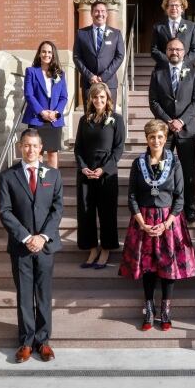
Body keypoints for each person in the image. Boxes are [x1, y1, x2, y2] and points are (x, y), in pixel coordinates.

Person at [120, 119, 195, 331]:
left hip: (168, 221)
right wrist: (142, 223)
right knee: (148, 267)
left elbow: (180, 197)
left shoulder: (174, 162)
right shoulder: (138, 163)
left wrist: (167, 223)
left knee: (167, 266)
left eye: (160, 137)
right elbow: (132, 196)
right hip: (143, 220)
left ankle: (165, 310)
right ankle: (149, 308)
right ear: (147, 139)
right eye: (152, 137)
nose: (156, 141)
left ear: (166, 139)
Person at [0, 129, 64, 363]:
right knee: (25, 294)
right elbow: (5, 212)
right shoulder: (8, 176)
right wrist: (26, 237)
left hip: (45, 246)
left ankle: (43, 341)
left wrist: (43, 236)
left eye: (35, 146)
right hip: (21, 246)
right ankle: (26, 341)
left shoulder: (53, 175)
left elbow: (57, 210)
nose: (31, 150)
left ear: (41, 147)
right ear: (19, 147)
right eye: (26, 145)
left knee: (43, 294)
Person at [149, 38, 195, 222]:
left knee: (188, 171)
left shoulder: (194, 74)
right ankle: (162, 204)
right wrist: (167, 121)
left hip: (187, 129)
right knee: (160, 168)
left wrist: (181, 121)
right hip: (163, 131)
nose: (175, 52)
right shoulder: (158, 73)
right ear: (166, 51)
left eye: (178, 49)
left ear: (184, 52)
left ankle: (189, 208)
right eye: (171, 49)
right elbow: (153, 101)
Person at [75, 82, 125, 269]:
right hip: (86, 172)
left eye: (102, 97)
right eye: (95, 97)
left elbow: (119, 148)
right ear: (90, 99)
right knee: (86, 212)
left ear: (108, 99)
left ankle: (106, 248)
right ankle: (92, 249)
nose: (98, 100)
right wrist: (83, 167)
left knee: (107, 212)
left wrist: (104, 169)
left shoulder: (116, 119)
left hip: (106, 173)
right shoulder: (84, 120)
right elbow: (78, 147)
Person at [22, 40, 68, 170]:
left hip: (54, 119)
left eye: (49, 52)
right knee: (37, 153)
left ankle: (52, 185)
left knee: (53, 154)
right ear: (39, 54)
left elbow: (63, 97)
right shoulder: (31, 71)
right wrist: (42, 112)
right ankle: (38, 184)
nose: (46, 54)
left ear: (53, 55)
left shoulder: (60, 74)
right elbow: (29, 95)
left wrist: (56, 113)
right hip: (37, 118)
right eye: (43, 51)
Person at [74, 1, 125, 111]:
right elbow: (77, 57)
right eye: (96, 11)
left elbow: (120, 56)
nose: (100, 14)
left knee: (109, 116)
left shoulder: (116, 34)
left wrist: (104, 76)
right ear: (91, 13)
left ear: (107, 14)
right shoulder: (81, 33)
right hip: (89, 83)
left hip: (109, 83)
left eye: (102, 11)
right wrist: (90, 76)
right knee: (90, 116)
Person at [150, 0, 195, 69]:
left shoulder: (192, 27)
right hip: (164, 69)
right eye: (171, 5)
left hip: (185, 70)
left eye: (177, 5)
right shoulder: (158, 27)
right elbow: (154, 50)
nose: (174, 8)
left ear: (182, 8)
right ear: (166, 9)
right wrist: (169, 63)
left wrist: (181, 63)